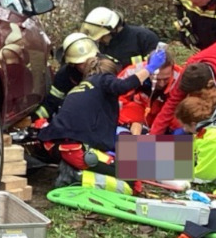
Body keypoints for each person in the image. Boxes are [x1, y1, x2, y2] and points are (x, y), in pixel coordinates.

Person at [38, 38, 167, 182]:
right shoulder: (102, 79)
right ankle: (76, 178)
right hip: (77, 149)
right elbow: (122, 86)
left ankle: (178, 161)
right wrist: (149, 69)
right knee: (132, 178)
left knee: (131, 152)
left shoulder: (80, 89)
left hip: (60, 145)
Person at [117, 47, 183, 135]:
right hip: (140, 108)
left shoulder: (181, 77)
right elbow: (117, 98)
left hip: (168, 112)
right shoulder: (133, 72)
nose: (161, 84)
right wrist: (131, 122)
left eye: (166, 79)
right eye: (157, 79)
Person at [31, 32, 90, 121]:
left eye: (89, 59)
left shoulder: (106, 68)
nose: (87, 64)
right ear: (72, 63)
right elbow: (52, 102)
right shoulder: (64, 76)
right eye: (81, 62)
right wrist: (34, 118)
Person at [79, 7, 160, 68]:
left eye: (102, 36)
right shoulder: (103, 46)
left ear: (113, 30)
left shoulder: (144, 38)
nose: (99, 40)